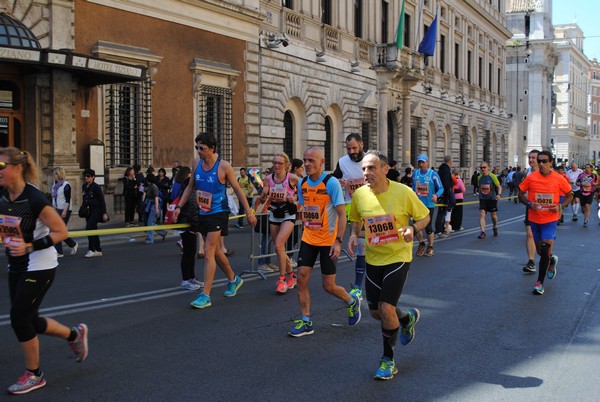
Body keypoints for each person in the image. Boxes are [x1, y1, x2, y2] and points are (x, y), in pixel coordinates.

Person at [0, 148, 88, 395]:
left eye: (1, 165)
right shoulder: (4, 194)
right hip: (16, 263)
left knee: (19, 318)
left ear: (17, 168)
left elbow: (61, 232)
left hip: (40, 264)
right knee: (31, 320)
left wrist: (29, 246)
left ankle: (34, 374)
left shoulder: (35, 198)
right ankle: (74, 335)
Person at [347, 150, 430, 380]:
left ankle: (388, 360)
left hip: (398, 257)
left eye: (371, 168)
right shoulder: (360, 195)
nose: (366, 173)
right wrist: (354, 235)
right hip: (373, 258)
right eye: (363, 168)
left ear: (385, 169)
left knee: (385, 307)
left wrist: (413, 228)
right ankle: (406, 319)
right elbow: (355, 218)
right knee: (376, 313)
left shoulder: (403, 192)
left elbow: (425, 216)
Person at [172, 132, 257, 309]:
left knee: (209, 251)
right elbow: (190, 187)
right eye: (196, 147)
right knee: (217, 251)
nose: (198, 151)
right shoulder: (196, 163)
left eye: (201, 148)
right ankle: (234, 279)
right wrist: (178, 206)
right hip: (203, 212)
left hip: (218, 212)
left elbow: (238, 190)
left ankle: (206, 295)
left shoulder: (223, 166)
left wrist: (249, 212)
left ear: (211, 148)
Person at [288, 146, 360, 337]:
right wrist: (294, 207)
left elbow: (342, 215)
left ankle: (351, 301)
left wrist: (338, 241)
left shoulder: (331, 183)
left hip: (328, 240)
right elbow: (304, 208)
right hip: (309, 238)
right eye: (305, 160)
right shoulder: (303, 183)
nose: (307, 164)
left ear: (322, 162)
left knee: (328, 286)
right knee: (301, 278)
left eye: (312, 160)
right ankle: (306, 320)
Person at [518, 151, 573, 295]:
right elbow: (520, 193)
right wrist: (530, 205)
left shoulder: (558, 178)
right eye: (539, 161)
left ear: (551, 163)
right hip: (534, 219)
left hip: (550, 220)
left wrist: (561, 206)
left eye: (544, 161)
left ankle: (539, 283)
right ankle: (552, 259)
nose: (541, 164)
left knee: (544, 248)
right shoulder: (531, 178)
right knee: (540, 251)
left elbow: (570, 194)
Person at [332, 133, 368, 300]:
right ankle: (358, 286)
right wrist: (338, 183)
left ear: (361, 144)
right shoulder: (342, 162)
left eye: (355, 147)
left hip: (370, 207)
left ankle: (370, 281)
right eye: (349, 149)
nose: (352, 152)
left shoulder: (370, 159)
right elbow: (332, 180)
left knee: (373, 248)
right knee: (360, 245)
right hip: (351, 207)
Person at [259, 153, 299, 294]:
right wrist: (264, 193)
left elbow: (303, 194)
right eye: (274, 162)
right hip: (275, 214)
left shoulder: (292, 178)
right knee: (279, 249)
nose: (276, 165)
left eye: (279, 163)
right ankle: (292, 276)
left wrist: (293, 197)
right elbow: (263, 201)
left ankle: (282, 280)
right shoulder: (268, 179)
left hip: (288, 214)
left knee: (278, 245)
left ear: (286, 165)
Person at [175, 166, 204, 291]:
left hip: (190, 224)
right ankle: (186, 279)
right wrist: (196, 224)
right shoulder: (190, 187)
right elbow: (192, 208)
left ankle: (191, 277)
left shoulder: (193, 187)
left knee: (191, 252)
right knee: (188, 252)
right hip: (186, 223)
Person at [412, 153, 443, 257]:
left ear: (427, 162)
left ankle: (430, 247)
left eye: (423, 162)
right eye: (419, 162)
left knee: (428, 227)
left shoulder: (433, 174)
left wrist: (436, 195)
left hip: (429, 204)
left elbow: (441, 188)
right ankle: (421, 244)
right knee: (416, 226)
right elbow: (413, 187)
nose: (421, 164)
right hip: (418, 204)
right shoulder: (415, 174)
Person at [51, 167, 78, 257]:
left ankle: (60, 251)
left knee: (57, 230)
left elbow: (68, 200)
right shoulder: (54, 185)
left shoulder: (66, 185)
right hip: (56, 209)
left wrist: (64, 211)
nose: (53, 176)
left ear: (59, 175)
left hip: (64, 210)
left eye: (55, 174)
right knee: (58, 230)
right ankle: (71, 245)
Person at [81, 169, 108, 257]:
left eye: (88, 176)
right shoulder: (84, 186)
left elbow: (101, 200)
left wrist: (104, 212)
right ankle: (98, 249)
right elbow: (84, 199)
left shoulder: (96, 187)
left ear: (93, 177)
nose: (86, 177)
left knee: (89, 228)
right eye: (85, 176)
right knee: (93, 229)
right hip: (88, 211)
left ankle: (91, 249)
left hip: (97, 210)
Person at [522, 150, 540, 273]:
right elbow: (521, 192)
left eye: (533, 157)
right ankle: (531, 261)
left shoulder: (546, 173)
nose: (531, 160)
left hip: (546, 210)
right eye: (529, 157)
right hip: (531, 208)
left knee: (542, 239)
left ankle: (547, 257)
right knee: (529, 233)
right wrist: (528, 202)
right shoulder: (526, 173)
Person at [476, 162, 502, 239]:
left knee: (493, 215)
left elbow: (499, 187)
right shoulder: (479, 177)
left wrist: (499, 194)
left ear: (488, 168)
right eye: (481, 168)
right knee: (482, 213)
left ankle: (494, 227)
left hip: (492, 198)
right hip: (483, 198)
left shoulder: (493, 176)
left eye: (484, 167)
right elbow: (480, 187)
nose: (482, 169)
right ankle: (483, 232)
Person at [434, 155, 455, 238]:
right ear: (450, 162)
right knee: (441, 213)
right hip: (444, 194)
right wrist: (447, 194)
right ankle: (438, 231)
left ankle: (440, 230)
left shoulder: (441, 169)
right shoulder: (446, 170)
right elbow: (446, 183)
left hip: (441, 193)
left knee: (441, 212)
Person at [143, 174, 167, 244]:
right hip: (151, 205)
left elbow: (156, 198)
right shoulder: (150, 186)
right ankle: (163, 232)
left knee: (150, 222)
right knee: (150, 222)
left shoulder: (153, 187)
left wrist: (157, 208)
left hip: (153, 205)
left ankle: (150, 239)